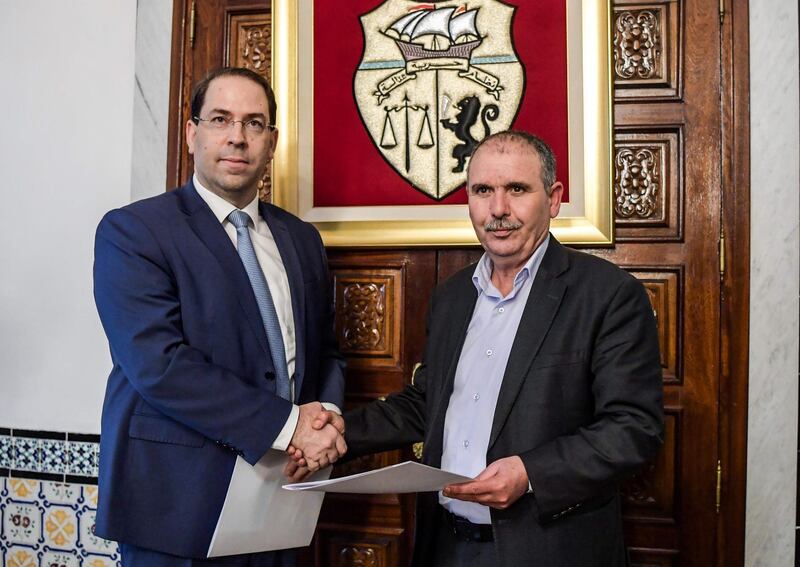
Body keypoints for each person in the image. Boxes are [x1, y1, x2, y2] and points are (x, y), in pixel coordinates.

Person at [289, 130, 664, 566]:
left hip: (548, 549)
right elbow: (425, 404)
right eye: (483, 190)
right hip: (446, 545)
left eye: (517, 190)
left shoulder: (608, 294)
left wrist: (529, 474)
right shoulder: (451, 297)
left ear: (554, 198)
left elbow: (634, 427)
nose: (498, 209)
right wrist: (334, 436)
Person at [93, 67, 346, 567]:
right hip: (175, 505)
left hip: (281, 495)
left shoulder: (301, 240)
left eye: (254, 123)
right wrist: (290, 425)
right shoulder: (134, 232)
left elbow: (325, 353)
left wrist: (327, 422)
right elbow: (159, 366)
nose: (237, 137)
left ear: (271, 142)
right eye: (220, 119)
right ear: (192, 133)